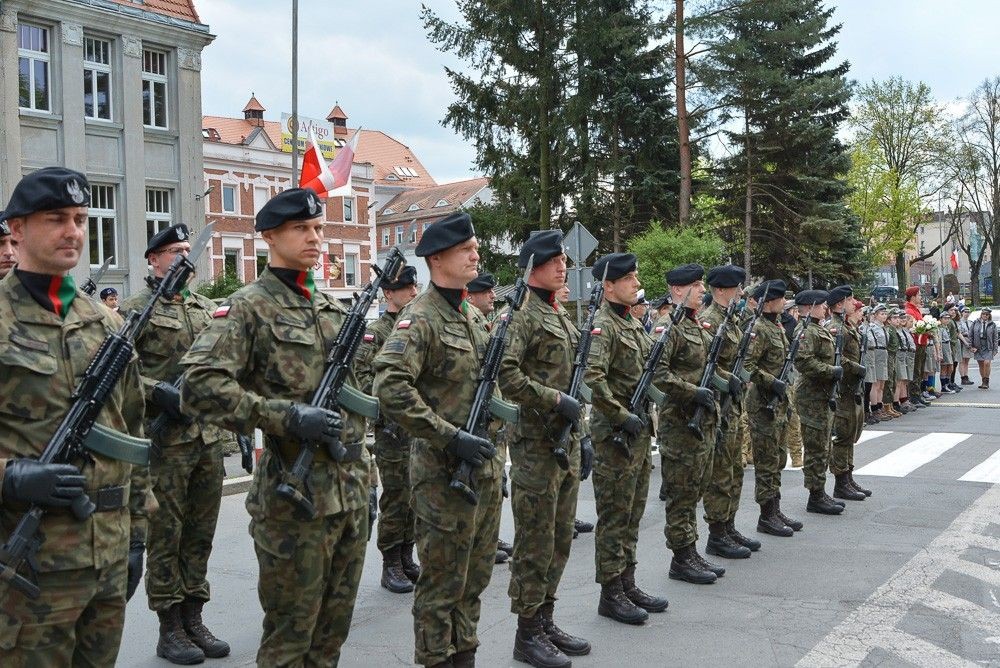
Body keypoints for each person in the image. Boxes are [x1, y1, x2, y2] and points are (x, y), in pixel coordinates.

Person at [181, 188, 370, 666]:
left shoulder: (331, 308)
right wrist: (285, 417)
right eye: (301, 229)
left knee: (331, 637)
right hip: (294, 499)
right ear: (269, 236)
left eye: (319, 228)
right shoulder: (248, 307)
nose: (315, 237)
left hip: (348, 493)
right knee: (290, 639)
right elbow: (198, 385)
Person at [0, 167, 149, 665]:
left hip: (105, 555)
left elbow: (133, 434)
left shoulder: (104, 322)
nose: (73, 231)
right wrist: (10, 477)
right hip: (28, 566)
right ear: (16, 229)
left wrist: (136, 539)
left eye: (81, 218)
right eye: (56, 218)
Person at [373, 212, 504, 668]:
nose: (476, 254)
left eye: (475, 246)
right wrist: (450, 438)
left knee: (475, 577)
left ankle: (463, 654)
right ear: (437, 258)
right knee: (442, 584)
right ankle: (435, 659)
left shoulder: (470, 313)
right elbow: (389, 385)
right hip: (442, 475)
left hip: (483, 470)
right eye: (466, 249)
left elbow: (492, 383)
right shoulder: (420, 317)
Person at [120, 224, 232, 664]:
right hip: (164, 442)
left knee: (200, 534)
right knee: (166, 535)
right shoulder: (136, 309)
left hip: (206, 438)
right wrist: (156, 391)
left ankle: (193, 617)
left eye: (189, 250)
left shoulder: (205, 309)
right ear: (153, 259)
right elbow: (119, 372)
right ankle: (169, 627)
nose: (185, 258)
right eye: (174, 252)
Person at [498, 230, 592, 667]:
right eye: (555, 261)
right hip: (536, 446)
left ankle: (546, 618)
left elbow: (575, 381)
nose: (564, 267)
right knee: (535, 543)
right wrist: (554, 399)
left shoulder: (561, 316)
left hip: (565, 444)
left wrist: (583, 433)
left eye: (565, 261)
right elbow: (508, 376)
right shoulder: (520, 316)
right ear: (533, 266)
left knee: (559, 539)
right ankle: (527, 632)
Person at [583, 253, 667, 622]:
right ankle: (611, 592)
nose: (636, 283)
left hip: (636, 433)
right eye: (629, 278)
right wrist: (622, 415)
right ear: (609, 286)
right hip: (614, 435)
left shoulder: (632, 325)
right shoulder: (602, 326)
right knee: (615, 515)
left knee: (632, 513)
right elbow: (593, 379)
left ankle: (628, 581)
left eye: (636, 276)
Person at [654, 263, 728, 584]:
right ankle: (681, 557)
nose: (701, 290)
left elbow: (706, 369)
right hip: (680, 422)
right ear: (677, 290)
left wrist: (725, 382)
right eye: (696, 286)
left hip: (703, 421)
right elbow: (658, 375)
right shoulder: (668, 328)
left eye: (701, 285)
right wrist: (693, 392)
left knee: (696, 488)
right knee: (682, 492)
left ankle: (691, 549)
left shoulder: (697, 325)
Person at [354, 265, 421, 594]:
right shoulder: (376, 332)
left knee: (414, 495)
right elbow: (364, 379)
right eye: (405, 287)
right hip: (392, 428)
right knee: (396, 496)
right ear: (388, 293)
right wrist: (389, 408)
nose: (412, 291)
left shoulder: (416, 327)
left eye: (413, 286)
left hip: (418, 425)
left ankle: (407, 556)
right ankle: (390, 563)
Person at [699, 265, 759, 560]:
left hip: (734, 405)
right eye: (736, 289)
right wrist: (728, 379)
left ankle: (729, 524)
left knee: (735, 469)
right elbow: (707, 366)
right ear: (721, 290)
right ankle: (717, 533)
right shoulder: (710, 321)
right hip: (718, 406)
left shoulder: (731, 320)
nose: (740, 293)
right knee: (721, 473)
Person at [745, 280, 801, 536]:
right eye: (780, 299)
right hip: (763, 404)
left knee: (778, 458)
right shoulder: (758, 328)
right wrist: (772, 382)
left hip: (779, 403)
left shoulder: (775, 326)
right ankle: (766, 515)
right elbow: (747, 366)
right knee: (767, 461)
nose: (784, 303)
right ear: (769, 302)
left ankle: (775, 509)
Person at [466, 271, 515, 565]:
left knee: (493, 489)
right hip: (469, 428)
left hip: (493, 425)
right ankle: (396, 560)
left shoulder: (482, 323)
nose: (493, 296)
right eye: (486, 292)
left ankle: (488, 537)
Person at [793, 289, 845, 516]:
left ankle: (820, 490)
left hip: (822, 395)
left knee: (824, 445)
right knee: (815, 447)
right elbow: (804, 362)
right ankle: (815, 495)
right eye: (822, 304)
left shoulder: (817, 329)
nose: (826, 308)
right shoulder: (804, 331)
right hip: (811, 396)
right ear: (811, 305)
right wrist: (830, 371)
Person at [829, 291, 870, 502]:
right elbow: (837, 358)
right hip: (843, 389)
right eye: (850, 301)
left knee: (851, 433)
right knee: (843, 435)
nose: (854, 304)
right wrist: (856, 367)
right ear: (840, 303)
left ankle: (848, 476)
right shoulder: (836, 328)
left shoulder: (848, 327)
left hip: (852, 388)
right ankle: (840, 482)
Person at [904, 286, 930, 405]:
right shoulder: (909, 310)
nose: (920, 297)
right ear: (913, 297)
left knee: (919, 370)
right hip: (916, 343)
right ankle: (914, 395)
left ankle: (917, 393)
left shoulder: (916, 309)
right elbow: (913, 327)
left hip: (922, 342)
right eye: (919, 295)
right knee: (915, 369)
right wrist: (925, 329)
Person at [866, 305, 891, 420]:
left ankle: (880, 406)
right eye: (881, 314)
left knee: (882, 383)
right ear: (875, 315)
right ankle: (875, 408)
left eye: (885, 314)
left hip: (884, 352)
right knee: (875, 383)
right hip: (876, 352)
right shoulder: (872, 327)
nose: (884, 316)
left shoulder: (883, 327)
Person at [970, 307, 998, 389]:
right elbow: (970, 335)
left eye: (987, 314)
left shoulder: (993, 324)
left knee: (987, 363)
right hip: (978, 346)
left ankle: (986, 381)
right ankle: (983, 381)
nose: (985, 315)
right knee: (981, 364)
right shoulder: (975, 323)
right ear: (981, 314)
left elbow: (995, 338)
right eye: (983, 314)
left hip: (988, 346)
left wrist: (995, 349)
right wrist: (971, 346)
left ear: (989, 315)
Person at [958, 306, 974, 385]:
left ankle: (966, 376)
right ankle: (963, 377)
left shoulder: (971, 322)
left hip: (969, 341)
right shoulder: (959, 322)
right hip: (962, 342)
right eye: (965, 312)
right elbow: (959, 333)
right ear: (962, 313)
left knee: (967, 361)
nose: (967, 314)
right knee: (962, 361)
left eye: (968, 312)